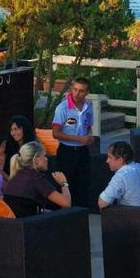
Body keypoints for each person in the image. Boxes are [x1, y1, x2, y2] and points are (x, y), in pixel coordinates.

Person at [51, 77, 93, 207]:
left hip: (82, 152)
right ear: (71, 89)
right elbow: (55, 133)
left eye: (81, 91)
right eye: (75, 89)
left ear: (87, 92)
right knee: (65, 185)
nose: (77, 93)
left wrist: (89, 136)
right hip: (66, 151)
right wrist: (80, 139)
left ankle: (80, 216)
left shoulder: (88, 107)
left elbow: (88, 126)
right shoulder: (62, 108)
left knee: (82, 185)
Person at [3, 141, 71, 218]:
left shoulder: (16, 175)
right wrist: (64, 183)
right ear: (36, 159)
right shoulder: (36, 178)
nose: (47, 159)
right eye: (44, 156)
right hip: (28, 225)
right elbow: (66, 203)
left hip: (14, 225)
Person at [98, 142, 140, 209]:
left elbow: (102, 203)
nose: (107, 161)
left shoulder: (121, 175)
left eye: (110, 157)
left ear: (120, 160)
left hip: (132, 216)